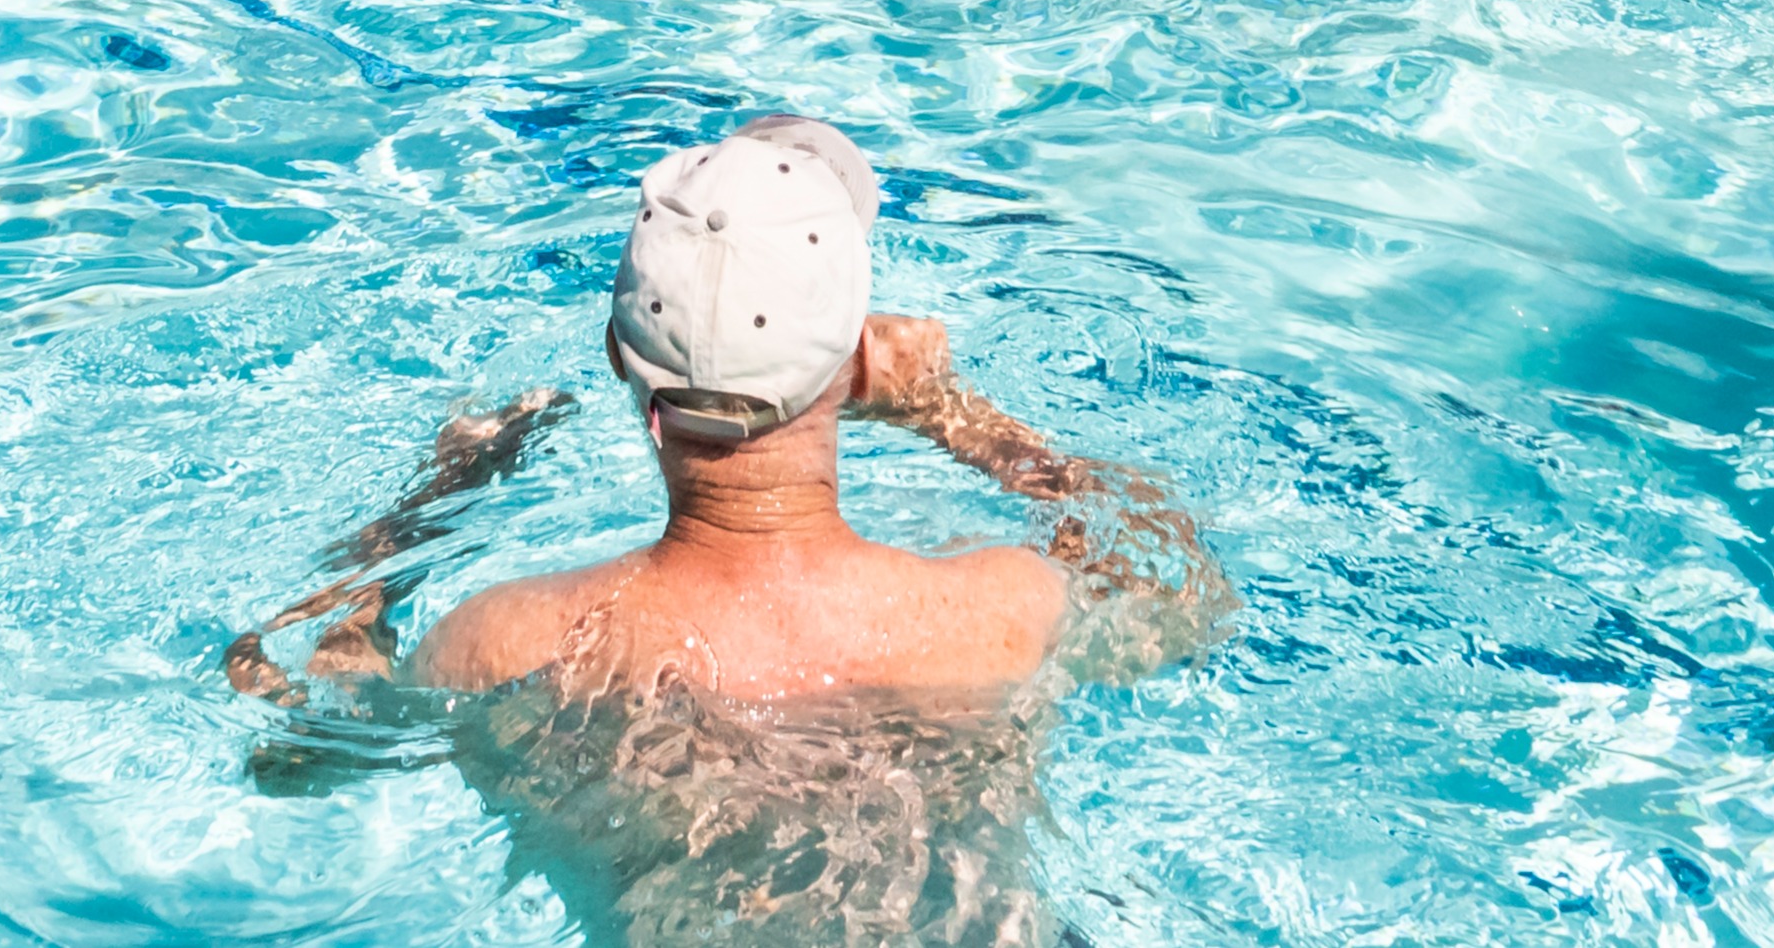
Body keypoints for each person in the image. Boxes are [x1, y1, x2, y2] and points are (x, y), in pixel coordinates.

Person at [217, 115, 1235, 942]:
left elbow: (299, 752)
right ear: (858, 361)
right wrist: (961, 419)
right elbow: (1188, 596)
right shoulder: (997, 610)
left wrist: (423, 518)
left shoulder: (503, 645)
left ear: (622, 358)